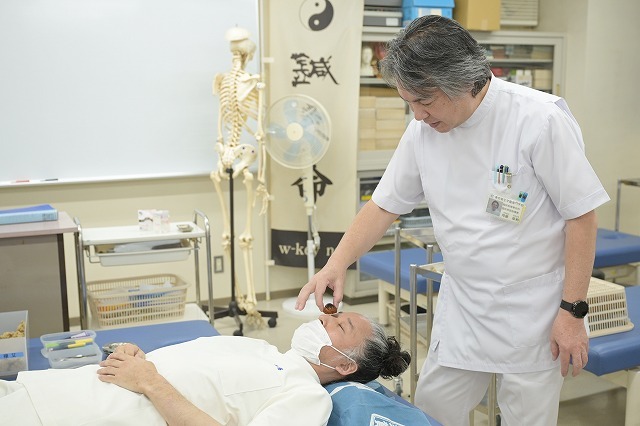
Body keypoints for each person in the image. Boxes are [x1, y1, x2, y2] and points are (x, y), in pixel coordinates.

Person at [296, 15, 609, 425]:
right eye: (409, 102)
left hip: (533, 310)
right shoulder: (423, 131)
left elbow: (581, 217)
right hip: (464, 306)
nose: (418, 115)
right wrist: (337, 263)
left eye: (424, 101)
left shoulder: (539, 119)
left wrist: (572, 312)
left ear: (462, 81)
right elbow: (384, 205)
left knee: (527, 417)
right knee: (432, 409)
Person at [0, 312, 410, 425]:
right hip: (58, 387)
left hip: (83, 415)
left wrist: (150, 382)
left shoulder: (307, 398)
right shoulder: (258, 345)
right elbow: (185, 364)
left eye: (338, 325)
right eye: (331, 314)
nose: (322, 318)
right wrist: (138, 357)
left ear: (344, 364)